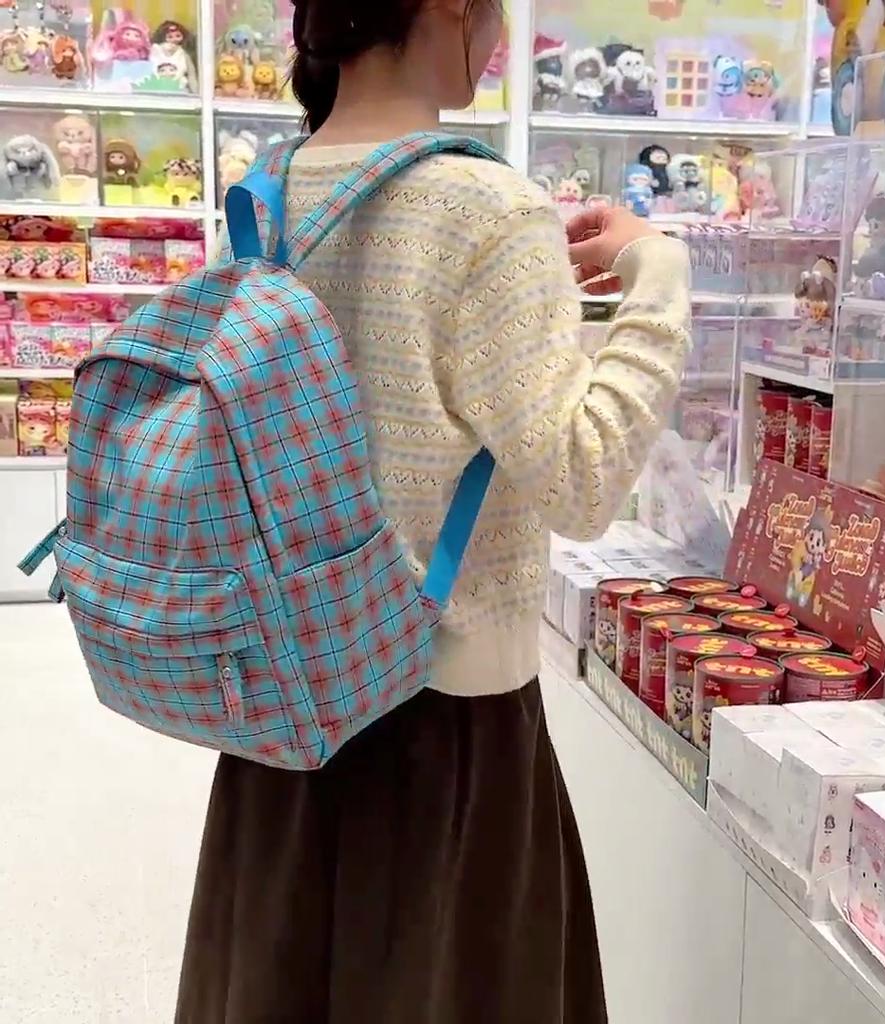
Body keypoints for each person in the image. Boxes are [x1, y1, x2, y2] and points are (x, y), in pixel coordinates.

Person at [175, 0, 691, 1020]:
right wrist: (659, 273)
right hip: (446, 722)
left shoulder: (266, 191)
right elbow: (583, 478)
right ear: (452, 8)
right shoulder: (486, 208)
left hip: (286, 707)